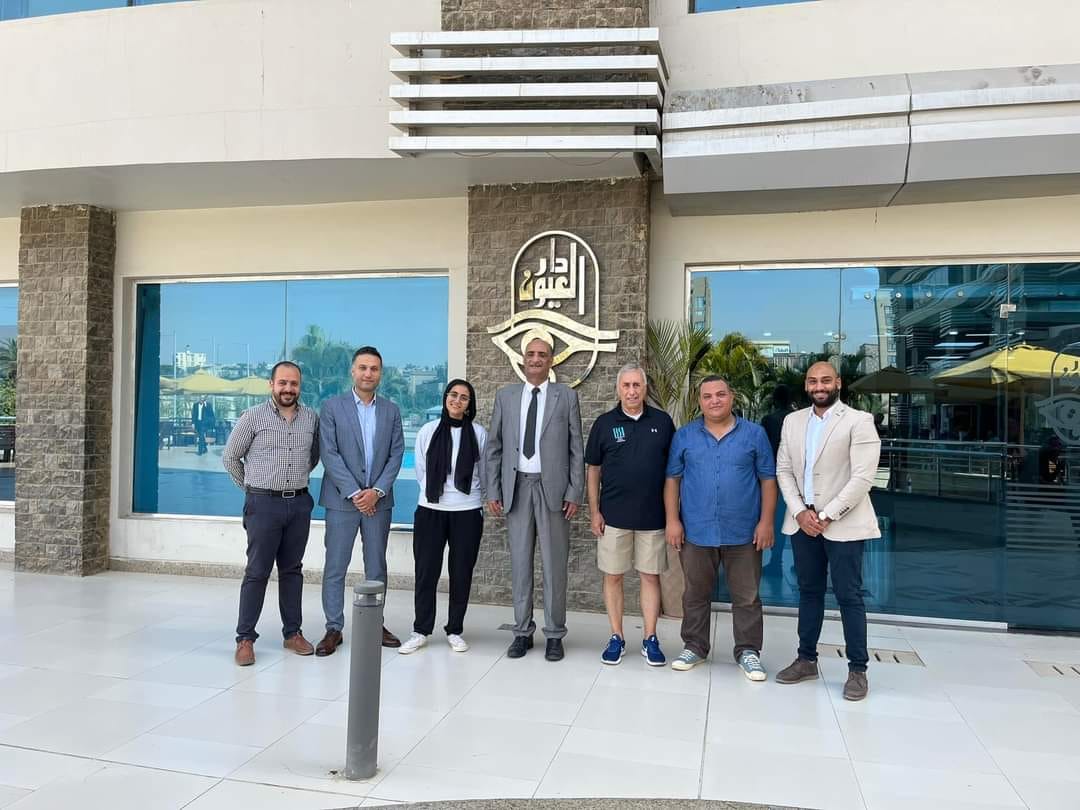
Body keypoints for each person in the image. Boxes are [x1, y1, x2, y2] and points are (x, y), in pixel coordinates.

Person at [775, 361, 882, 702]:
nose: (818, 386)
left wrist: (826, 514)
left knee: (849, 595)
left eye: (825, 380)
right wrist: (800, 512)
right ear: (806, 386)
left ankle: (858, 670)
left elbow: (863, 478)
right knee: (809, 591)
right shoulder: (793, 421)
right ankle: (806, 659)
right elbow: (783, 470)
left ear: (838, 383)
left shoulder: (859, 421)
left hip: (843, 523)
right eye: (812, 381)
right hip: (802, 522)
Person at [664, 376, 777, 680]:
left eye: (720, 394)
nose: (714, 400)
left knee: (747, 596)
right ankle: (695, 646)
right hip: (696, 530)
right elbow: (672, 479)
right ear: (700, 401)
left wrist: (766, 521)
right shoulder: (685, 436)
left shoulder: (754, 434)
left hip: (744, 531)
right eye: (707, 396)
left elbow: (768, 479)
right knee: (694, 593)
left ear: (731, 397)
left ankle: (748, 651)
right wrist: (672, 520)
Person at [486, 332, 584, 662]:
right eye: (531, 354)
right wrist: (494, 490)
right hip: (517, 488)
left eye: (542, 354)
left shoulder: (566, 396)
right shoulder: (506, 396)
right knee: (520, 563)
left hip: (552, 489)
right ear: (523, 359)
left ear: (551, 360)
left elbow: (576, 448)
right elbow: (494, 447)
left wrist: (574, 491)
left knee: (554, 565)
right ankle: (522, 632)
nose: (536, 359)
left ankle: (554, 634)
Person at [222, 361, 320, 666]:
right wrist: (252, 490)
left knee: (292, 570)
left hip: (299, 504)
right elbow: (230, 458)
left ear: (299, 386)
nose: (288, 389)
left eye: (294, 384)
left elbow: (313, 457)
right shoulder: (253, 417)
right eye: (283, 383)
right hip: (263, 505)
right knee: (257, 572)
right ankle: (245, 639)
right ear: (272, 385)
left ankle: (293, 633)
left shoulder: (311, 418)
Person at [585, 362, 675, 666]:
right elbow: (593, 470)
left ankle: (650, 638)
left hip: (653, 517)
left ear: (645, 389)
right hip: (613, 517)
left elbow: (673, 474)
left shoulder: (662, 422)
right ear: (618, 389)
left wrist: (673, 516)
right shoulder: (604, 423)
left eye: (637, 385)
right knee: (613, 576)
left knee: (650, 576)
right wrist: (594, 511)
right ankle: (616, 637)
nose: (632, 391)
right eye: (627, 385)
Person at [317, 346, 405, 654]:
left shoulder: (391, 410)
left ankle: (374, 624)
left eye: (374, 369)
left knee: (376, 566)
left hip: (378, 502)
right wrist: (356, 493)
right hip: (342, 501)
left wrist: (376, 491)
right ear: (353, 371)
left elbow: (396, 454)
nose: (368, 373)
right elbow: (329, 453)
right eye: (363, 367)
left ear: (380, 373)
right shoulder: (331, 407)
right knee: (335, 566)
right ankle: (333, 628)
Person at [399, 379, 487, 655]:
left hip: (467, 511)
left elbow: (484, 472)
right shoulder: (428, 431)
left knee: (461, 573)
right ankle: (421, 630)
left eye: (464, 397)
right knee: (426, 572)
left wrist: (468, 497)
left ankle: (455, 629)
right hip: (431, 510)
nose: (457, 400)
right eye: (453, 395)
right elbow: (421, 471)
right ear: (445, 398)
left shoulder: (479, 434)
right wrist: (436, 494)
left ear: (469, 404)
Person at [760, 384, 794, 578]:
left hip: (775, 477)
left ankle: (776, 561)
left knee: (779, 520)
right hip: (797, 477)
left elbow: (764, 450)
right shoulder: (798, 418)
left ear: (774, 400)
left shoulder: (769, 420)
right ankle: (800, 563)